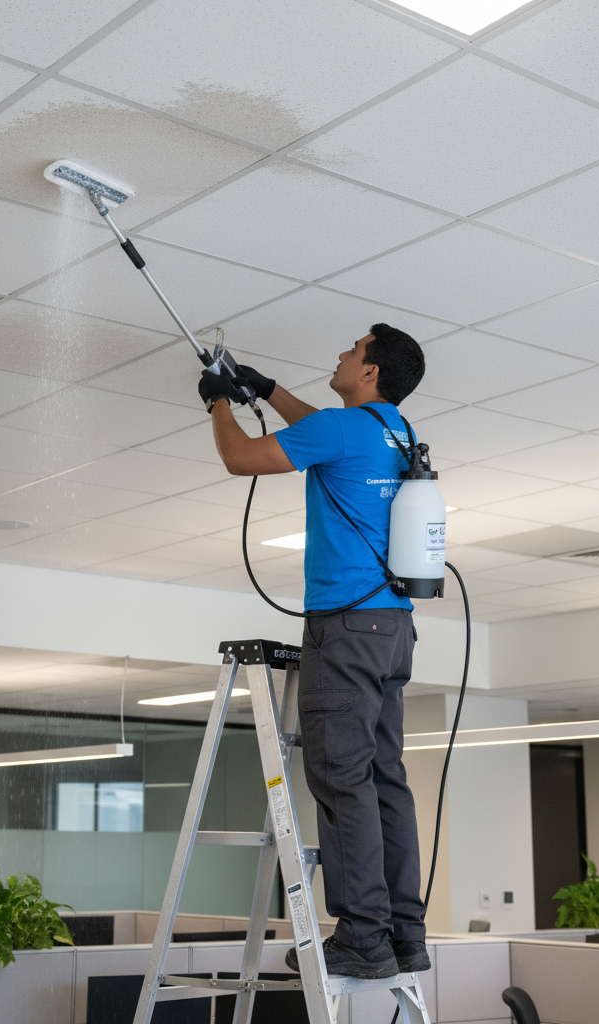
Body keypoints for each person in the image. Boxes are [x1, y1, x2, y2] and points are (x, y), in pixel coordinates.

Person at [196, 324, 430, 980]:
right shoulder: (392, 432)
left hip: (347, 628)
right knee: (385, 778)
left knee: (341, 775)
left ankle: (360, 937)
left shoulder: (344, 429)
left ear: (372, 371)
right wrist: (266, 390)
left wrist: (216, 401)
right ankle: (403, 934)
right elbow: (325, 429)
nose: (340, 354)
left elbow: (240, 459)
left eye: (352, 350)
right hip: (393, 629)